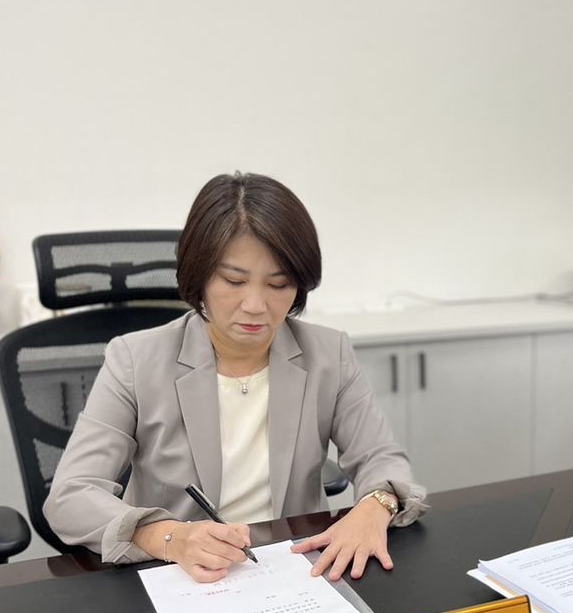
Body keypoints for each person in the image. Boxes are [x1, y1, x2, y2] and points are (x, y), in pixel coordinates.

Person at [46, 172, 426, 583]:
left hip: (294, 572)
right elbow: (71, 495)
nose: (256, 305)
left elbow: (381, 458)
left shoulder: (328, 354)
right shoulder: (135, 360)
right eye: (234, 281)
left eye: (279, 284)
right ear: (199, 276)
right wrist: (168, 537)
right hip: (178, 577)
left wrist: (375, 505)